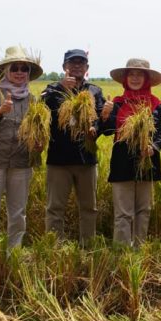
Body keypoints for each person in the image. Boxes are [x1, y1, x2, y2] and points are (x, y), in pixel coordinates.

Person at [0, 46, 43, 249]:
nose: (20, 72)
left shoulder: (33, 100)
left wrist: (38, 143)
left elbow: (37, 130)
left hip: (21, 163)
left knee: (18, 213)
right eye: (15, 68)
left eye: (24, 69)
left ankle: (13, 253)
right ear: (6, 70)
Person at [101, 58, 161, 247]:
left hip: (148, 160)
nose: (135, 78)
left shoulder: (156, 104)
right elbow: (106, 131)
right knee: (123, 212)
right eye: (132, 74)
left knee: (143, 209)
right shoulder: (117, 103)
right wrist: (105, 115)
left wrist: (153, 148)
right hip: (122, 160)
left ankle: (139, 249)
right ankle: (122, 251)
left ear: (146, 79)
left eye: (140, 75)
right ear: (125, 78)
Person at [41, 49, 104, 246]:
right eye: (72, 62)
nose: (76, 66)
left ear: (87, 68)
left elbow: (102, 117)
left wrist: (95, 128)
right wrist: (61, 87)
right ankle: (54, 246)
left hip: (86, 159)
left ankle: (88, 245)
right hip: (59, 160)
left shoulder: (94, 91)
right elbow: (41, 107)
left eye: (81, 63)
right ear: (64, 67)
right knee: (55, 207)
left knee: (88, 207)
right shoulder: (53, 89)